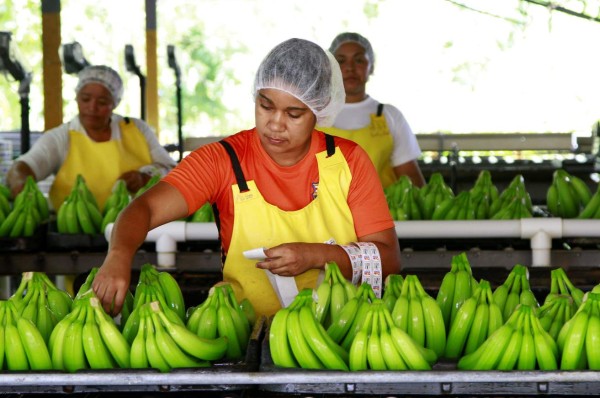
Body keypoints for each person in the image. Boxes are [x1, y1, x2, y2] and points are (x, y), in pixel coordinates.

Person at [92, 38, 401, 317]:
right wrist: (119, 255)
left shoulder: (348, 161)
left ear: (319, 111)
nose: (275, 124)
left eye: (294, 114)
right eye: (265, 106)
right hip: (246, 337)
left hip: (343, 335)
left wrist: (318, 255)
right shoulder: (222, 160)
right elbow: (142, 209)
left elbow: (389, 259)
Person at [6, 65, 176, 211]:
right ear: (76, 98)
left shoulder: (137, 130)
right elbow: (25, 165)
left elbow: (169, 168)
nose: (92, 107)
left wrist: (144, 176)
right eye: (85, 99)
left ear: (115, 103)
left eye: (102, 102)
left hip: (136, 225)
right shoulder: (62, 137)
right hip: (75, 234)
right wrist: (19, 181)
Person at [318, 32, 426, 188]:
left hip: (383, 210)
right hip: (327, 212)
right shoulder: (315, 114)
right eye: (341, 61)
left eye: (359, 60)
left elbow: (412, 182)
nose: (350, 68)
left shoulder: (390, 115)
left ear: (371, 67)